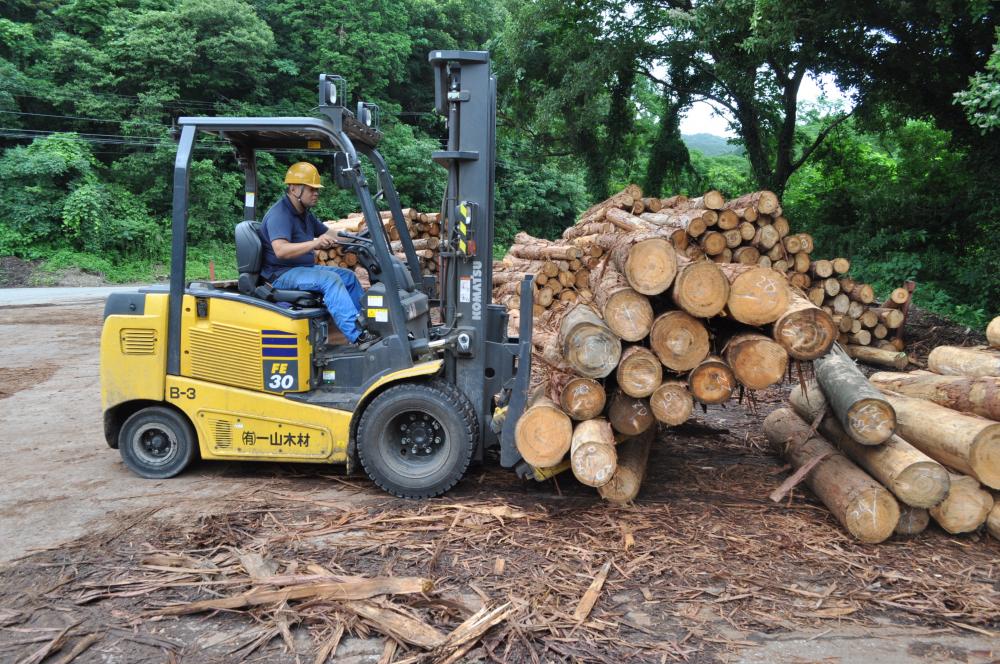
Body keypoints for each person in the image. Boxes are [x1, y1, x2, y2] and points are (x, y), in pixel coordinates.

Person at [259, 162, 368, 343]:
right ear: (294, 189)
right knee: (330, 280)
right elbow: (281, 250)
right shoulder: (280, 215)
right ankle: (359, 336)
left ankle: (367, 325)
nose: (316, 193)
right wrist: (315, 243)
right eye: (311, 189)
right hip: (281, 274)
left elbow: (330, 234)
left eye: (317, 189)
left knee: (348, 277)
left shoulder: (305, 214)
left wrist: (358, 238)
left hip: (303, 269)